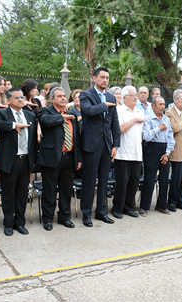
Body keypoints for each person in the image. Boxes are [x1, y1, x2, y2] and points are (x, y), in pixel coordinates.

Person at [0, 88, 37, 235]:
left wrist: (33, 159)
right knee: (9, 193)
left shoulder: (29, 115)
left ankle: (20, 222)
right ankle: (8, 223)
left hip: (25, 160)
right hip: (10, 160)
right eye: (17, 98)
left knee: (22, 193)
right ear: (8, 100)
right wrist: (13, 125)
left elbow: (33, 141)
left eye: (22, 97)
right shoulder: (3, 113)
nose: (20, 100)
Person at [79, 67, 121, 227]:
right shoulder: (86, 94)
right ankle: (86, 213)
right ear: (94, 78)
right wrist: (104, 105)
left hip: (106, 145)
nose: (105, 80)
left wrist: (116, 145)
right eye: (102, 77)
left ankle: (101, 212)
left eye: (107, 78)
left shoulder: (111, 96)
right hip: (91, 144)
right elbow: (88, 111)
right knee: (89, 180)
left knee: (104, 180)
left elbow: (114, 123)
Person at [37, 87, 81, 230]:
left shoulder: (72, 112)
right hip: (52, 157)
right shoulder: (46, 111)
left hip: (69, 157)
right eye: (59, 96)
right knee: (49, 190)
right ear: (52, 99)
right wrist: (62, 118)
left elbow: (77, 137)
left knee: (66, 190)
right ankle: (48, 219)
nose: (63, 98)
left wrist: (78, 158)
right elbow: (45, 121)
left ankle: (64, 217)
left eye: (64, 96)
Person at [110, 86, 145, 219]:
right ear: (124, 98)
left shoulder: (139, 110)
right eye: (133, 95)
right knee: (122, 182)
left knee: (134, 182)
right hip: (123, 152)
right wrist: (134, 120)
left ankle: (129, 207)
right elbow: (120, 129)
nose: (136, 97)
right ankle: (117, 208)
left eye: (136, 95)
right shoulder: (119, 110)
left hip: (137, 152)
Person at [140, 96, 175, 216]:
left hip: (164, 149)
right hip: (152, 149)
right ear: (153, 106)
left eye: (163, 104)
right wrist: (158, 128)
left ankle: (161, 205)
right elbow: (146, 136)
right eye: (159, 104)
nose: (162, 107)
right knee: (149, 179)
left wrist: (167, 153)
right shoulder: (148, 119)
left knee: (164, 179)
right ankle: (144, 207)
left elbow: (171, 137)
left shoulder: (166, 119)